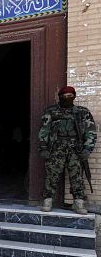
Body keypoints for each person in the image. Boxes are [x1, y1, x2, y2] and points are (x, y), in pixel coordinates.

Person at [38, 86, 97, 214]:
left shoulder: (82, 112)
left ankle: (79, 202)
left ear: (74, 96)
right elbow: (44, 131)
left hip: (76, 148)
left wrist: (87, 149)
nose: (67, 98)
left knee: (77, 176)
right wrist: (43, 147)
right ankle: (48, 200)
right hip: (56, 147)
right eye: (64, 96)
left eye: (70, 96)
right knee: (52, 174)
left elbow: (90, 132)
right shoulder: (51, 112)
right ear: (59, 97)